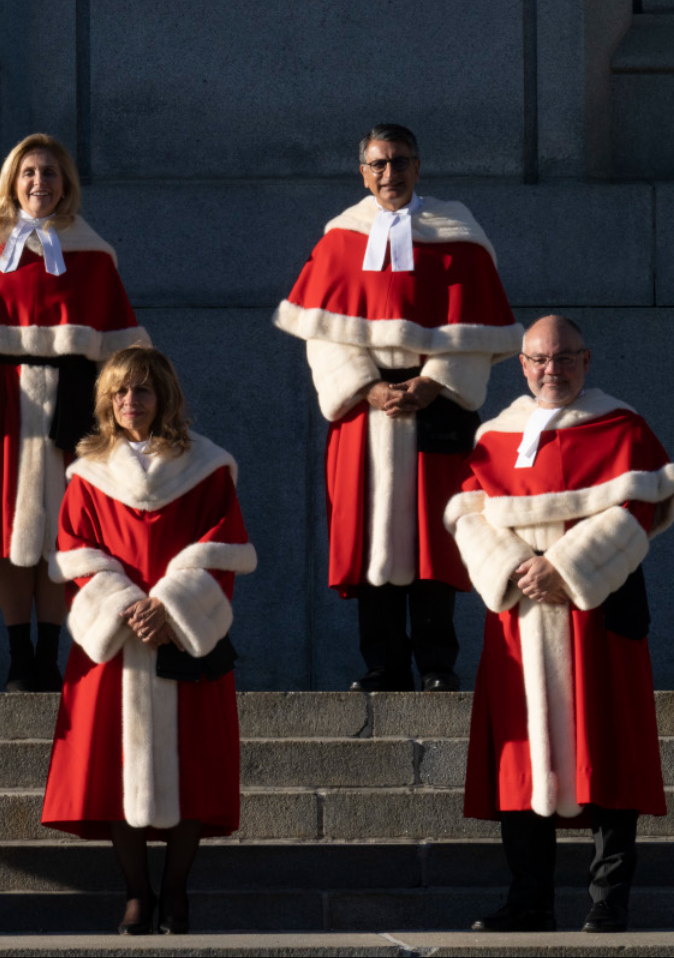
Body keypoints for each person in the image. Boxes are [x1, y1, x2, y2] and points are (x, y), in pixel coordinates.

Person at [447, 315, 674, 934]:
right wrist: (516, 565)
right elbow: (470, 512)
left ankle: (609, 900)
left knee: (608, 751)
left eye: (564, 358)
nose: (550, 370)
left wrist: (566, 566)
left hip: (598, 610)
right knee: (523, 762)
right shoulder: (496, 433)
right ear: (522, 365)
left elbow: (640, 506)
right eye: (538, 360)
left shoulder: (622, 425)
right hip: (520, 619)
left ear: (587, 360)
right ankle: (529, 900)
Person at [274, 123, 520, 693]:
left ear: (418, 165)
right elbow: (323, 332)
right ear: (362, 171)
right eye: (379, 164)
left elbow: (475, 326)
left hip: (438, 405)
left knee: (439, 535)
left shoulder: (456, 231)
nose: (391, 174)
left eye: (401, 161)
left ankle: (437, 662)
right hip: (368, 413)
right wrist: (365, 386)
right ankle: (383, 663)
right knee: (372, 540)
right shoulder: (342, 236)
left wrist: (437, 381)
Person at [0, 133, 149, 692]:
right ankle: (18, 656)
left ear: (65, 182)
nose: (39, 182)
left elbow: (122, 348)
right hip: (0, 407)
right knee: (4, 534)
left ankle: (50, 654)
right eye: (28, 172)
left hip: (74, 404)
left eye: (49, 172)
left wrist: (124, 416)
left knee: (64, 534)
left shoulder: (93, 253)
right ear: (11, 181)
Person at [43, 346, 254, 935]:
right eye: (118, 393)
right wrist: (127, 606)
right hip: (112, 643)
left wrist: (171, 607)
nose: (130, 402)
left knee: (194, 769)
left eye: (141, 391)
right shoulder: (87, 474)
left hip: (185, 637)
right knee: (114, 769)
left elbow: (222, 547)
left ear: (164, 397)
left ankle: (177, 890)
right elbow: (77, 555)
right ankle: (136, 893)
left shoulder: (207, 467)